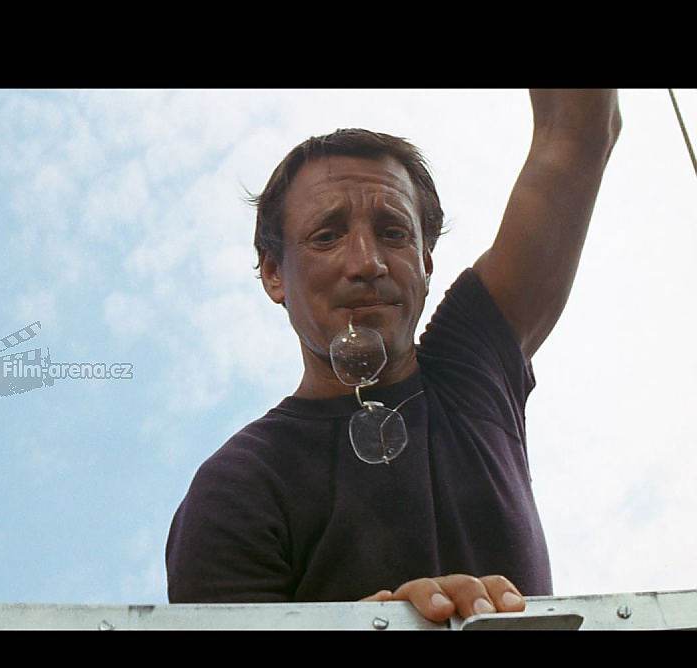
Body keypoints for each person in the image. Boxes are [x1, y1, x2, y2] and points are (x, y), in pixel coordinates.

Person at [165, 90, 622, 623]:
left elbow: (578, 130)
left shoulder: (473, 366)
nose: (367, 262)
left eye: (393, 233)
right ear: (272, 274)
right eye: (327, 236)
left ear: (425, 260)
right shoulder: (237, 484)